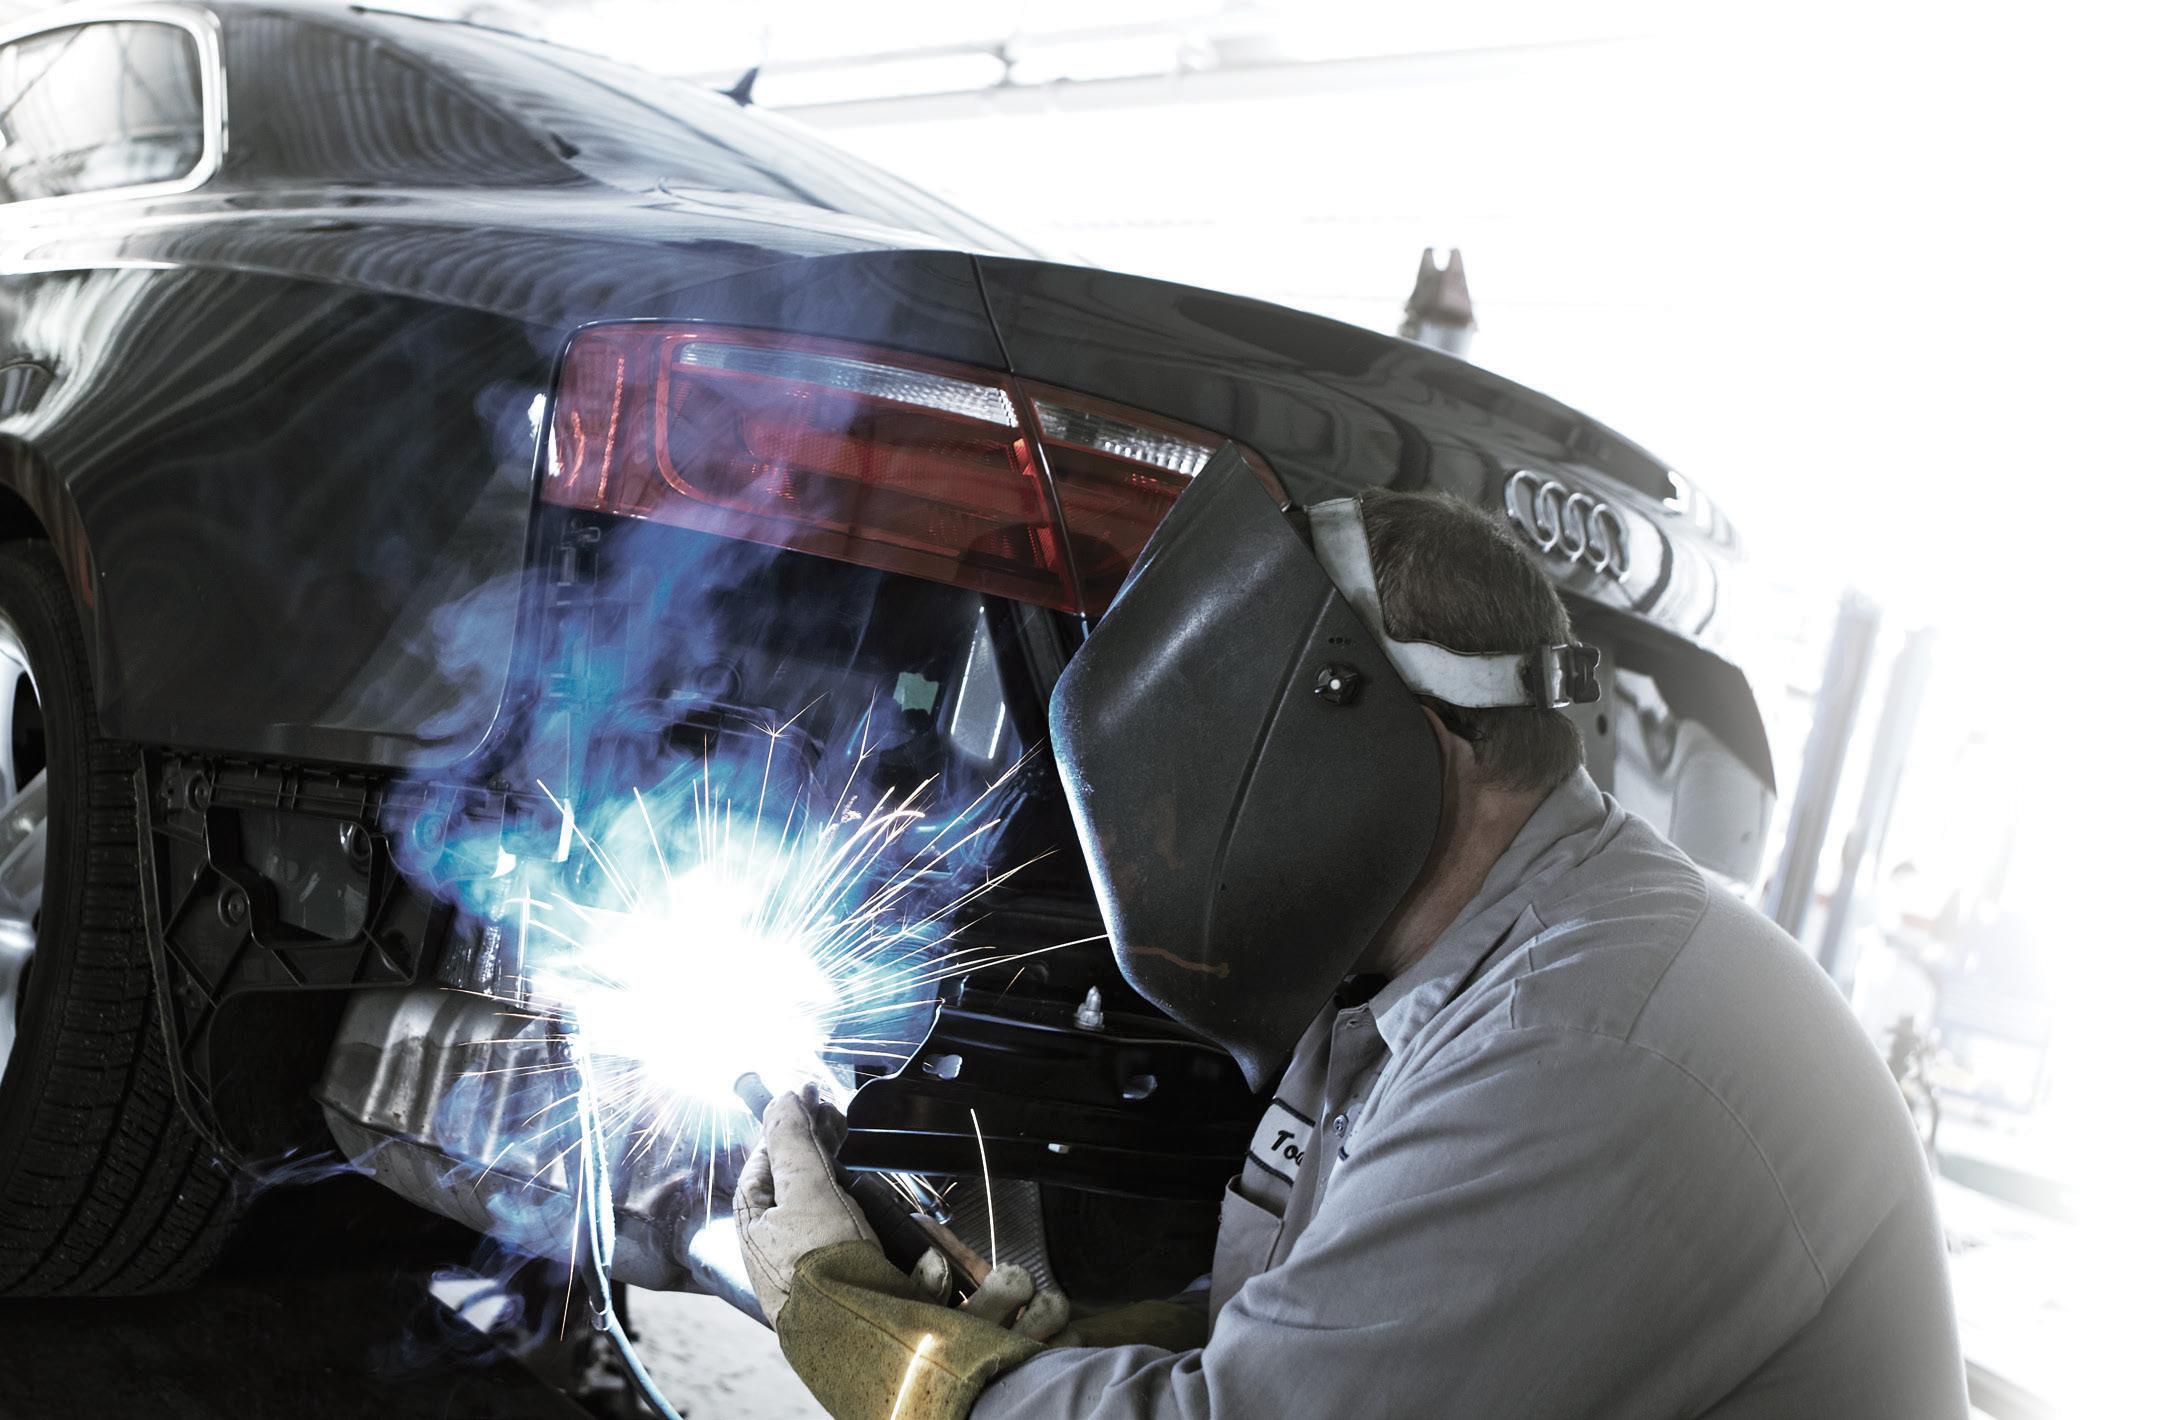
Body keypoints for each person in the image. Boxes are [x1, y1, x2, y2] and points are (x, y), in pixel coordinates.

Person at [733, 450, 1970, 1418]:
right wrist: (1072, 1351)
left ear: (1366, 726)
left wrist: (877, 1341)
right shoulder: (1444, 977)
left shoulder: (1587, 1039)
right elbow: (1315, 1325)